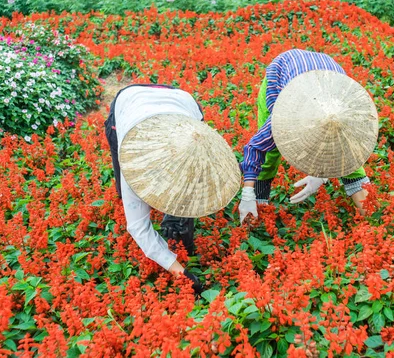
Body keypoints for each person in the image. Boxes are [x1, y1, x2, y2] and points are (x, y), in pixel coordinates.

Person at [104, 84, 241, 294]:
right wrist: (180, 272)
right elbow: (138, 227)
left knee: (189, 187)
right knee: (125, 194)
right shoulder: (133, 159)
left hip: (181, 103)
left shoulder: (197, 141)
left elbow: (195, 185)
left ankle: (177, 223)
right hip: (129, 104)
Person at [238, 49, 379, 223]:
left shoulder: (349, 112)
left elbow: (348, 151)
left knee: (348, 158)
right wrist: (247, 194)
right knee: (270, 153)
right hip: (281, 73)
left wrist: (322, 173)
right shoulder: (285, 114)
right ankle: (257, 210)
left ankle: (375, 222)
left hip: (328, 76)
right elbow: (256, 148)